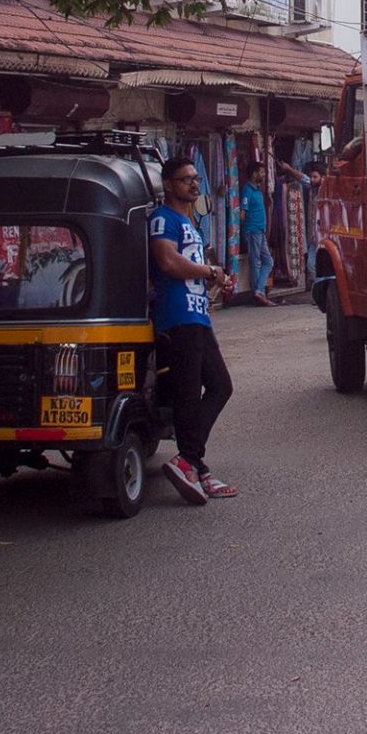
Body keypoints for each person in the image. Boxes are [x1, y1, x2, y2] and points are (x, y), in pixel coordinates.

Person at [148, 154, 236, 504]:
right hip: (178, 315)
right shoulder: (163, 219)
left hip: (197, 315)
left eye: (196, 178)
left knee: (219, 386)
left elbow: (191, 270)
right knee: (189, 394)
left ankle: (192, 463)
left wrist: (215, 281)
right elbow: (168, 261)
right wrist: (209, 271)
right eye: (186, 179)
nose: (195, 184)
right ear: (169, 185)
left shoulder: (190, 223)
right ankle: (191, 464)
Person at [236, 167, 275, 305]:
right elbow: (242, 214)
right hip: (253, 231)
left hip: (260, 231)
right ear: (254, 173)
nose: (264, 175)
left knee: (268, 261)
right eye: (261, 172)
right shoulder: (247, 190)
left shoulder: (258, 190)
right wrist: (244, 230)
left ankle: (259, 290)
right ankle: (259, 293)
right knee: (256, 262)